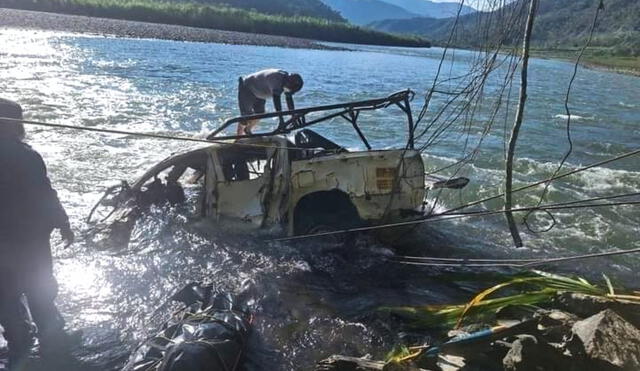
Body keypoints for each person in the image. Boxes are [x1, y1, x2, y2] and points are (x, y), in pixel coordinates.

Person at [0, 98, 76, 368]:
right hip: (31, 240)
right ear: (16, 124)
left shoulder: (26, 155)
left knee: (5, 296)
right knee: (39, 290)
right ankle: (50, 339)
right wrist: (63, 223)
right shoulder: (28, 156)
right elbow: (45, 193)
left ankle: (19, 341)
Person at [236, 69, 304, 136]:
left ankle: (247, 130)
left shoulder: (288, 80)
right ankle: (238, 139)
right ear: (288, 82)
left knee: (260, 113)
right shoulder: (276, 80)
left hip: (260, 91)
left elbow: (289, 98)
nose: (289, 91)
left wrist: (293, 116)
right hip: (247, 87)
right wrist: (281, 120)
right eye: (290, 89)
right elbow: (277, 102)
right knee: (245, 117)